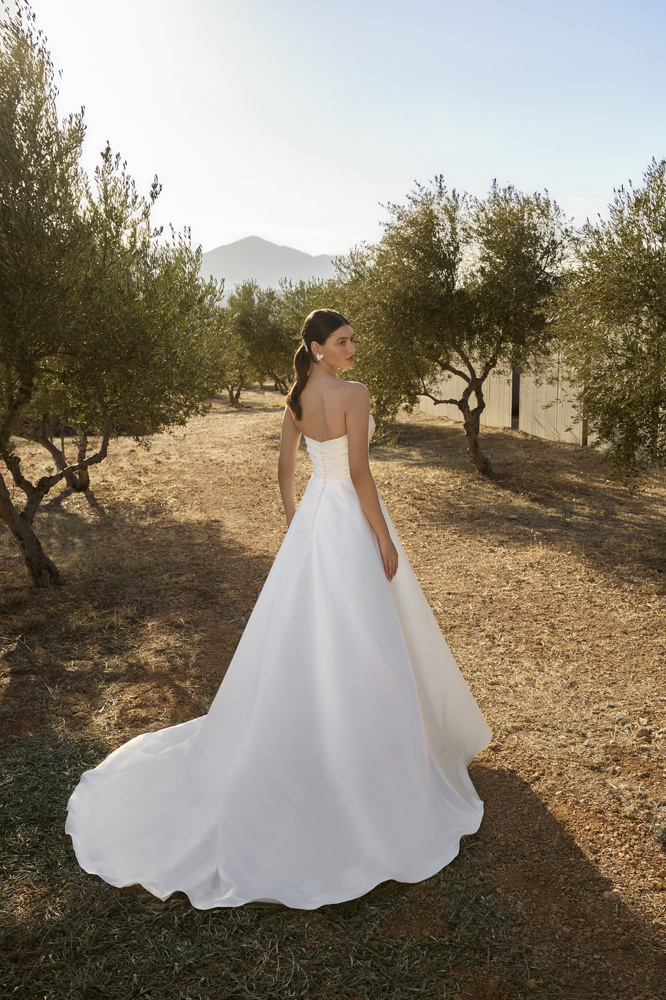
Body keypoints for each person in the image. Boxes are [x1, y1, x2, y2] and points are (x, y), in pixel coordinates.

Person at [65, 308, 492, 910]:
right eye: (343, 341)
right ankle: (370, 750)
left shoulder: (295, 399)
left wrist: (297, 518)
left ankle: (326, 730)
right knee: (362, 632)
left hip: (317, 518)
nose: (353, 348)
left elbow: (285, 473)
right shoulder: (355, 394)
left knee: (307, 632)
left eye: (352, 340)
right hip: (347, 517)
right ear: (318, 348)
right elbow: (363, 475)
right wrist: (384, 538)